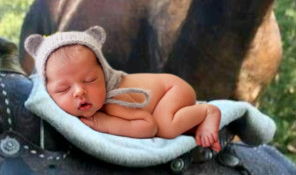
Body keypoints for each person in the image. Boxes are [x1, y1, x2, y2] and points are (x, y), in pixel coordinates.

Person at [24, 26, 222, 152]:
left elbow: (148, 126)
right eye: (63, 89)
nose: (79, 92)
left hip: (173, 90)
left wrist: (105, 124)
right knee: (170, 122)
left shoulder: (114, 102)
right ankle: (190, 123)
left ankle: (207, 111)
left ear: (104, 73)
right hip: (164, 93)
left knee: (165, 127)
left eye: (90, 80)